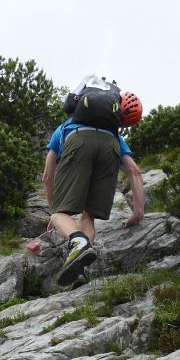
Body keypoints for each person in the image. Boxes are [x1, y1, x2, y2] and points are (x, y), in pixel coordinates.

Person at [42, 74, 144, 285]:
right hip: (110, 148)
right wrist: (138, 211)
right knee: (88, 216)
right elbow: (133, 170)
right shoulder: (114, 133)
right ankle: (79, 270)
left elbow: (46, 177)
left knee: (61, 213)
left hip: (78, 139)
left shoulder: (65, 127)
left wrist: (56, 213)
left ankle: (77, 242)